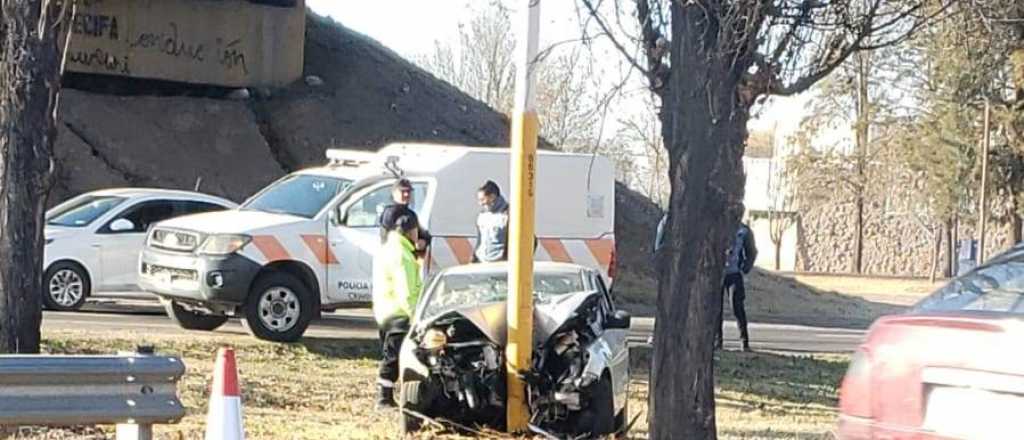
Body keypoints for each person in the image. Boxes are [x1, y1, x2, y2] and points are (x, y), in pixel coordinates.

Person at [371, 215, 423, 409]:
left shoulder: (386, 249)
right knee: (394, 357)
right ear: (410, 231)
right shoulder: (403, 254)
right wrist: (415, 316)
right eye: (417, 230)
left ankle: (386, 396)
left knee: (388, 354)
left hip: (384, 310)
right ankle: (383, 399)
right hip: (399, 313)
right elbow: (407, 290)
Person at [717, 221, 757, 352]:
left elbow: (752, 252)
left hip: (734, 274)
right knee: (716, 309)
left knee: (737, 307)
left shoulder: (744, 230)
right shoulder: (717, 225)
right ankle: (717, 341)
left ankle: (744, 342)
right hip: (716, 274)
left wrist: (745, 267)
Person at [378, 179, 431, 256]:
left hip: (410, 260)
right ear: (394, 193)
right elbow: (385, 241)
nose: (406, 194)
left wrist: (424, 242)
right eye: (402, 191)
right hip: (395, 260)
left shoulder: (412, 214)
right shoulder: (389, 213)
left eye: (408, 191)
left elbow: (423, 235)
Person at [472, 180, 510, 263]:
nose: (480, 203)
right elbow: (479, 241)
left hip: (500, 265)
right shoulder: (482, 216)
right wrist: (474, 258)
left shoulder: (509, 215)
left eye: (482, 200)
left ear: (492, 197)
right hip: (482, 262)